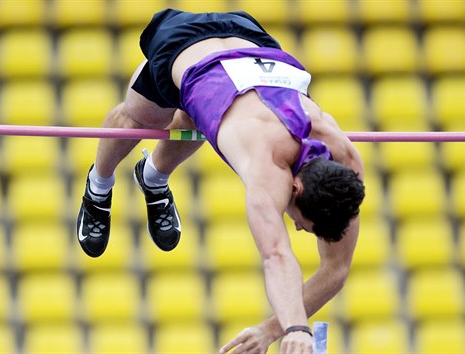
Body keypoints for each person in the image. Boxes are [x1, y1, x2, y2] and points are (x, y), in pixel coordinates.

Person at [76, 8, 365, 354]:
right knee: (139, 118)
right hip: (185, 47)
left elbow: (336, 268)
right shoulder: (266, 168)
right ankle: (98, 187)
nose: (301, 230)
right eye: (305, 223)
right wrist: (296, 327)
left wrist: (269, 330)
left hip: (251, 40)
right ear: (295, 187)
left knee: (199, 120)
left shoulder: (346, 163)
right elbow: (276, 255)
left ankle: (152, 177)